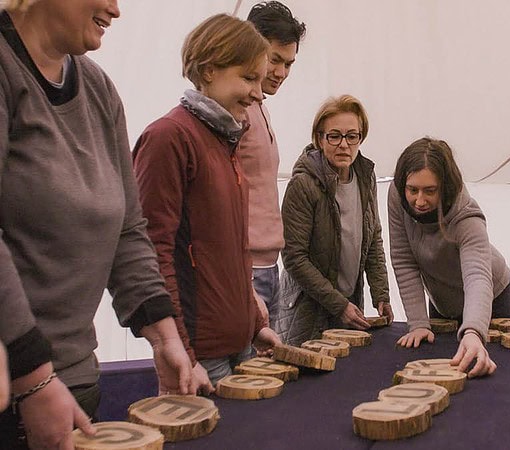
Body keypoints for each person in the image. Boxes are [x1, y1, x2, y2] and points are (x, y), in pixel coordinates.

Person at [0, 0, 193, 448]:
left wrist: (164, 335)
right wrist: (34, 378)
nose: (115, 9)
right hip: (17, 390)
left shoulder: (97, 87)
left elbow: (127, 228)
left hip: (71, 382)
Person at [133, 13, 280, 388]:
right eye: (249, 78)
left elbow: (228, 251)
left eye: (260, 80)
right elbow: (154, 253)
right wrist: (181, 350)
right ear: (210, 69)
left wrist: (254, 323)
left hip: (239, 344)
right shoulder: (170, 138)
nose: (258, 93)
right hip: (200, 356)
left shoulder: (225, 139)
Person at [389, 137, 510, 378]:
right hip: (441, 299)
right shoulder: (396, 194)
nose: (420, 201)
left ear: (444, 187)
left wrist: (474, 332)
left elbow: (477, 277)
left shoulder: (467, 217)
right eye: (412, 190)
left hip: (490, 297)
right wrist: (418, 324)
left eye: (430, 191)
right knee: (440, 369)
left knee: (480, 372)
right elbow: (404, 260)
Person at [276, 94, 391, 346]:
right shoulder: (303, 184)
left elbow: (373, 240)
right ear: (319, 138)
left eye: (352, 136)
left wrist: (381, 293)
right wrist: (339, 305)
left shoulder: (365, 178)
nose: (344, 144)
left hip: (349, 306)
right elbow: (294, 257)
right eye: (334, 136)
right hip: (307, 311)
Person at [240, 1, 306, 326]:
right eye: (274, 60)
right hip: (243, 269)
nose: (280, 73)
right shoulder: (232, 111)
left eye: (289, 64)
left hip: (268, 265)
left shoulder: (259, 107)